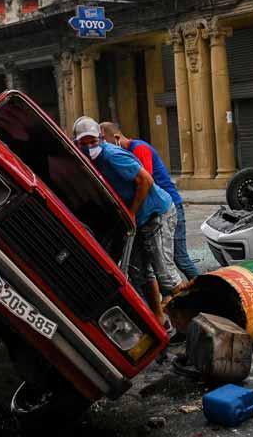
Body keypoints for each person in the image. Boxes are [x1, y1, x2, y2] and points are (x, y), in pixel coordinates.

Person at [72, 117, 183, 323]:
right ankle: (160, 320)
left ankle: (194, 320)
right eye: (83, 143)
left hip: (156, 213)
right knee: (140, 273)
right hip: (140, 220)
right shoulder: (90, 162)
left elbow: (145, 180)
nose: (89, 146)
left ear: (101, 139)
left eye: (92, 141)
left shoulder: (112, 156)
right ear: (77, 143)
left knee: (166, 275)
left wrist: (131, 212)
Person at [101, 121, 198, 279]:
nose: (103, 145)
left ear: (117, 137)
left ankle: (206, 291)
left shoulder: (139, 148)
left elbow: (146, 180)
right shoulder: (123, 154)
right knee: (155, 264)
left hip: (168, 206)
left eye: (104, 140)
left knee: (180, 258)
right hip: (156, 210)